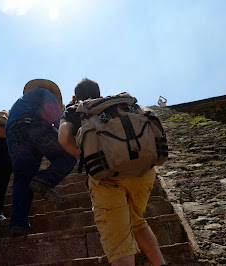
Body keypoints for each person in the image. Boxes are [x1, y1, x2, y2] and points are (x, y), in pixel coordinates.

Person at [58, 78, 166, 266]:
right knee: (137, 221)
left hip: (107, 178)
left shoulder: (76, 109)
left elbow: (64, 138)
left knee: (118, 238)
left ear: (76, 97)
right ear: (98, 93)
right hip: (143, 171)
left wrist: (89, 158)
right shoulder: (120, 105)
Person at [6, 79, 77, 236]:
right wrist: (64, 134)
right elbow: (55, 115)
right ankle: (44, 179)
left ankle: (19, 223)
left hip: (13, 135)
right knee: (70, 155)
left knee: (22, 178)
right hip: (33, 126)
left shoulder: (19, 102)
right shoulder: (45, 93)